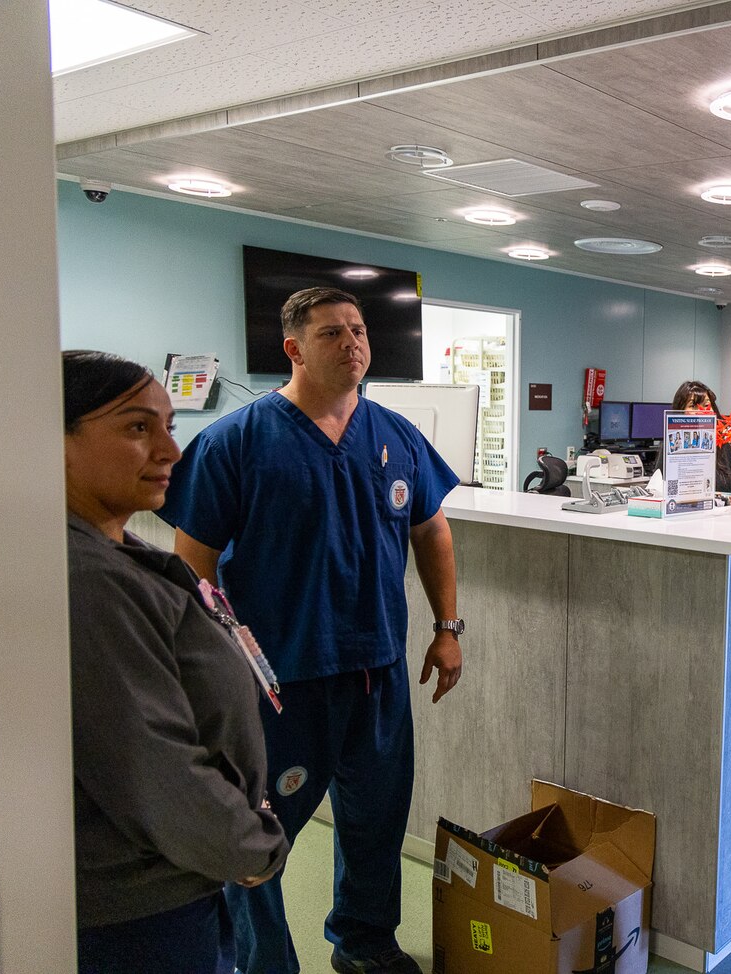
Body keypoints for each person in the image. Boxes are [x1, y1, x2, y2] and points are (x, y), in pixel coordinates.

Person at [158, 288, 464, 974]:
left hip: (376, 672)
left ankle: (364, 943)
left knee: (376, 823)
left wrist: (447, 627)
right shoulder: (236, 441)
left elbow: (432, 530)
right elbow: (192, 564)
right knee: (258, 834)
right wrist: (210, 663)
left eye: (358, 330)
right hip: (278, 680)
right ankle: (264, 962)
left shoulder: (396, 436)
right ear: (293, 348)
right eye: (333, 333)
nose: (354, 343)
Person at [63, 350, 288, 974]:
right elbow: (149, 763)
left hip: (178, 882)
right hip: (137, 911)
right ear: (51, 437)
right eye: (138, 427)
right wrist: (250, 845)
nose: (171, 451)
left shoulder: (122, 552)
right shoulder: (86, 581)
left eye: (168, 425)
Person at [669, 378, 731, 492]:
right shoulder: (671, 444)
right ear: (680, 410)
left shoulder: (723, 446)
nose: (701, 411)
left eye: (706, 405)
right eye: (693, 406)